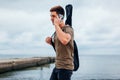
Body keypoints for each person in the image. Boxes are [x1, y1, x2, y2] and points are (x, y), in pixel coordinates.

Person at [45, 5, 74, 80]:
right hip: (57, 66)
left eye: (53, 16)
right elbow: (60, 47)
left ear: (60, 17)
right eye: (51, 16)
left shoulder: (68, 29)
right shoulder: (57, 31)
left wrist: (56, 25)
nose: (51, 18)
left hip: (65, 68)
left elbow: (64, 41)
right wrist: (51, 42)